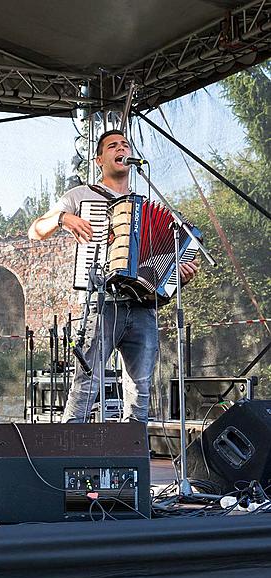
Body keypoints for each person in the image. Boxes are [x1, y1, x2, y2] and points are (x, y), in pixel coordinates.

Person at [27, 129, 199, 423]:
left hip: (143, 307)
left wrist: (179, 275)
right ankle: (69, 455)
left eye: (125, 144)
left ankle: (132, 456)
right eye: (113, 146)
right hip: (102, 302)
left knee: (140, 388)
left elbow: (164, 261)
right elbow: (35, 231)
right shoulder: (82, 196)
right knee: (87, 384)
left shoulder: (145, 202)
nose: (121, 148)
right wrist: (62, 217)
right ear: (99, 159)